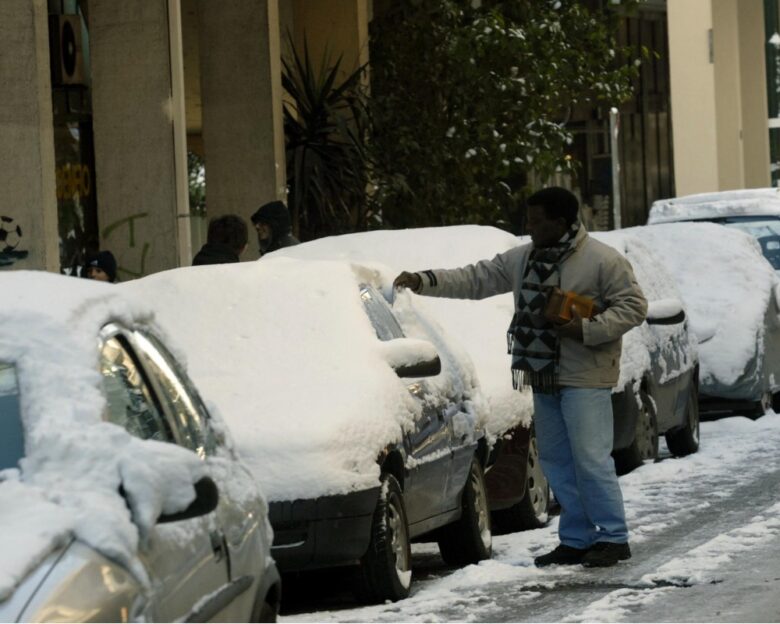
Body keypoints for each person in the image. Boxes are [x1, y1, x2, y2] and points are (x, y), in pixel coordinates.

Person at [393, 187, 647, 568]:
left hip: (585, 376)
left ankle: (614, 537)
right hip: (542, 375)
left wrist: (585, 327)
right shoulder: (523, 259)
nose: (528, 227)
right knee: (557, 461)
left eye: (536, 220)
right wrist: (424, 280)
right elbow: (475, 278)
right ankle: (577, 539)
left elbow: (634, 307)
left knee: (591, 460)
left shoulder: (601, 260)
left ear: (561, 223)